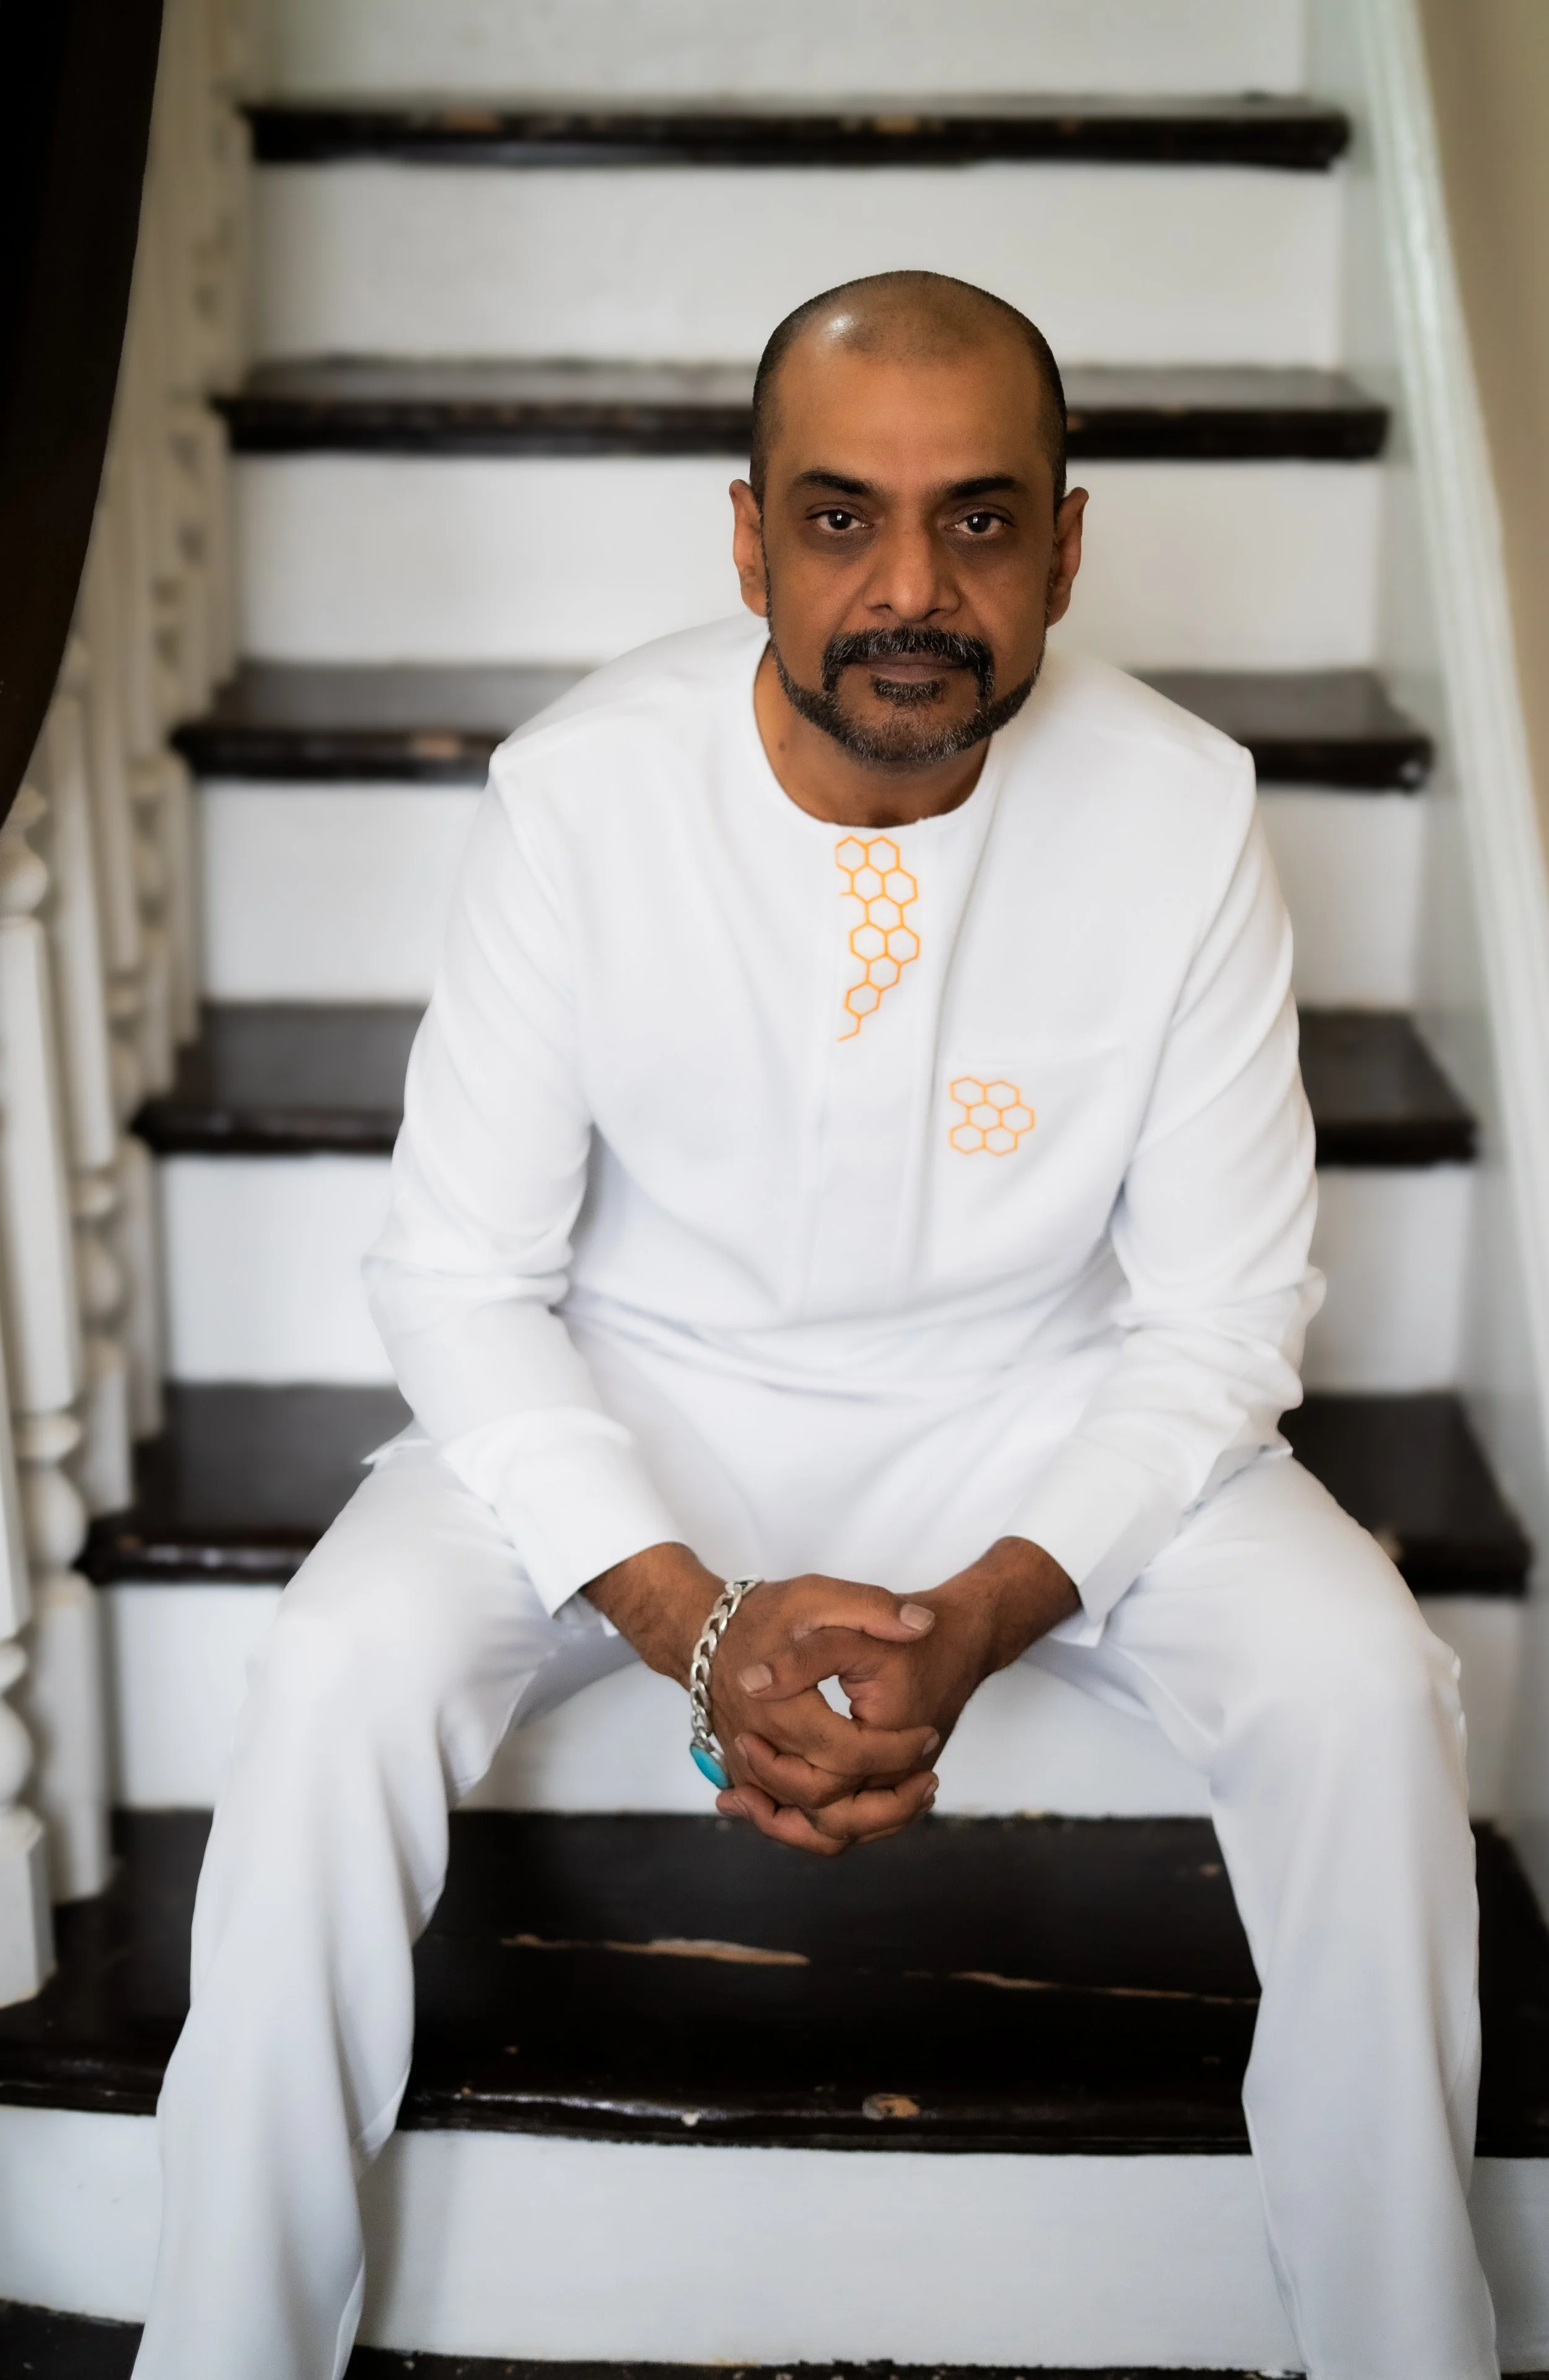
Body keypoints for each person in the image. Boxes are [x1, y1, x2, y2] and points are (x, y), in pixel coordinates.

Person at [133, 271, 1494, 2380]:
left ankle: (1408, 2350)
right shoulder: (580, 793)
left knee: (1363, 1682)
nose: (909, 587)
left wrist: (975, 1621)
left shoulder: (1185, 809)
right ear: (748, 536)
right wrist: (689, 1613)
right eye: (841, 517)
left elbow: (1223, 1323)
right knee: (329, 1669)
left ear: (1063, 543)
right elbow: (459, 1280)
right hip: (638, 1400)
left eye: (975, 520)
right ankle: (220, 2351)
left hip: (1037, 1413)